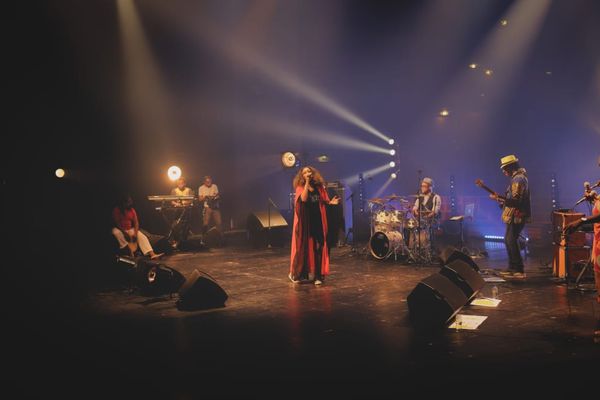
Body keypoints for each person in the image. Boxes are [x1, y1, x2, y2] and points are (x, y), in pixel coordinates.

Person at [289, 166, 340, 285]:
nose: (307, 173)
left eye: (309, 171)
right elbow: (304, 198)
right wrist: (306, 183)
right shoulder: (300, 187)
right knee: (304, 248)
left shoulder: (319, 186)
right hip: (306, 222)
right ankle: (296, 273)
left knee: (319, 247)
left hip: (318, 221)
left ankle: (318, 276)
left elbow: (323, 200)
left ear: (313, 173)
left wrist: (331, 202)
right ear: (302, 176)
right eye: (305, 172)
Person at [490, 155, 531, 279]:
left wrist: (499, 198)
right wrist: (502, 201)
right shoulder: (517, 178)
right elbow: (513, 199)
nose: (503, 171)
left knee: (511, 240)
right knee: (509, 240)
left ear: (511, 167)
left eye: (505, 168)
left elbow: (516, 201)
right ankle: (513, 268)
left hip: (517, 215)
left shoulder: (518, 179)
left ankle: (518, 269)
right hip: (514, 214)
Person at [112, 194, 163, 259]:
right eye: (129, 202)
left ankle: (152, 254)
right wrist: (124, 232)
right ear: (124, 202)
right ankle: (129, 252)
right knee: (116, 232)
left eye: (131, 201)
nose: (131, 203)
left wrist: (135, 233)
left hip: (129, 229)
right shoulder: (117, 210)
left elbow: (136, 222)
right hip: (120, 229)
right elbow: (117, 223)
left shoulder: (132, 210)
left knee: (142, 236)